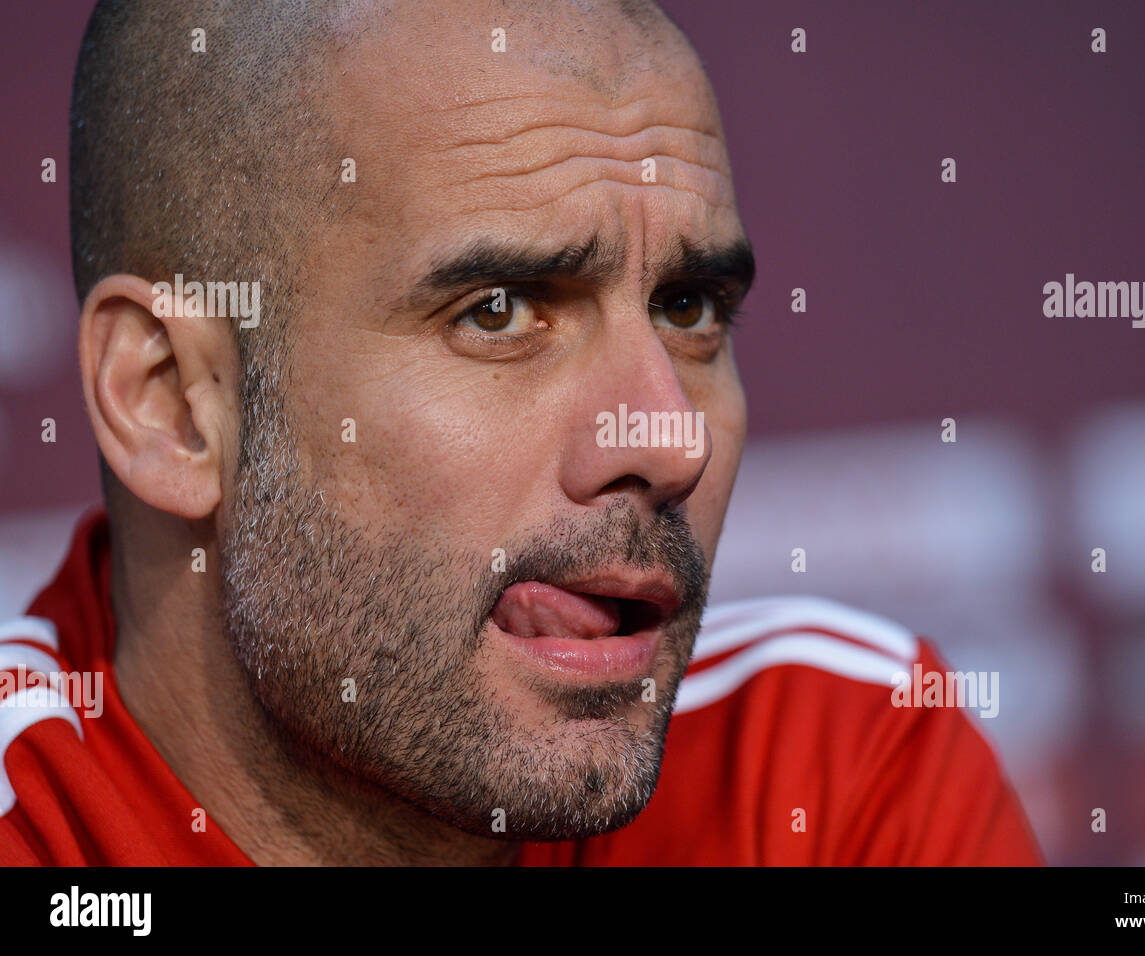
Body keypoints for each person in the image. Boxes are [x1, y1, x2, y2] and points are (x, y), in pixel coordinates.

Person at [0, 0, 1041, 866]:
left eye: (688, 308)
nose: (669, 439)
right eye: (497, 310)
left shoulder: (827, 776)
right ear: (173, 402)